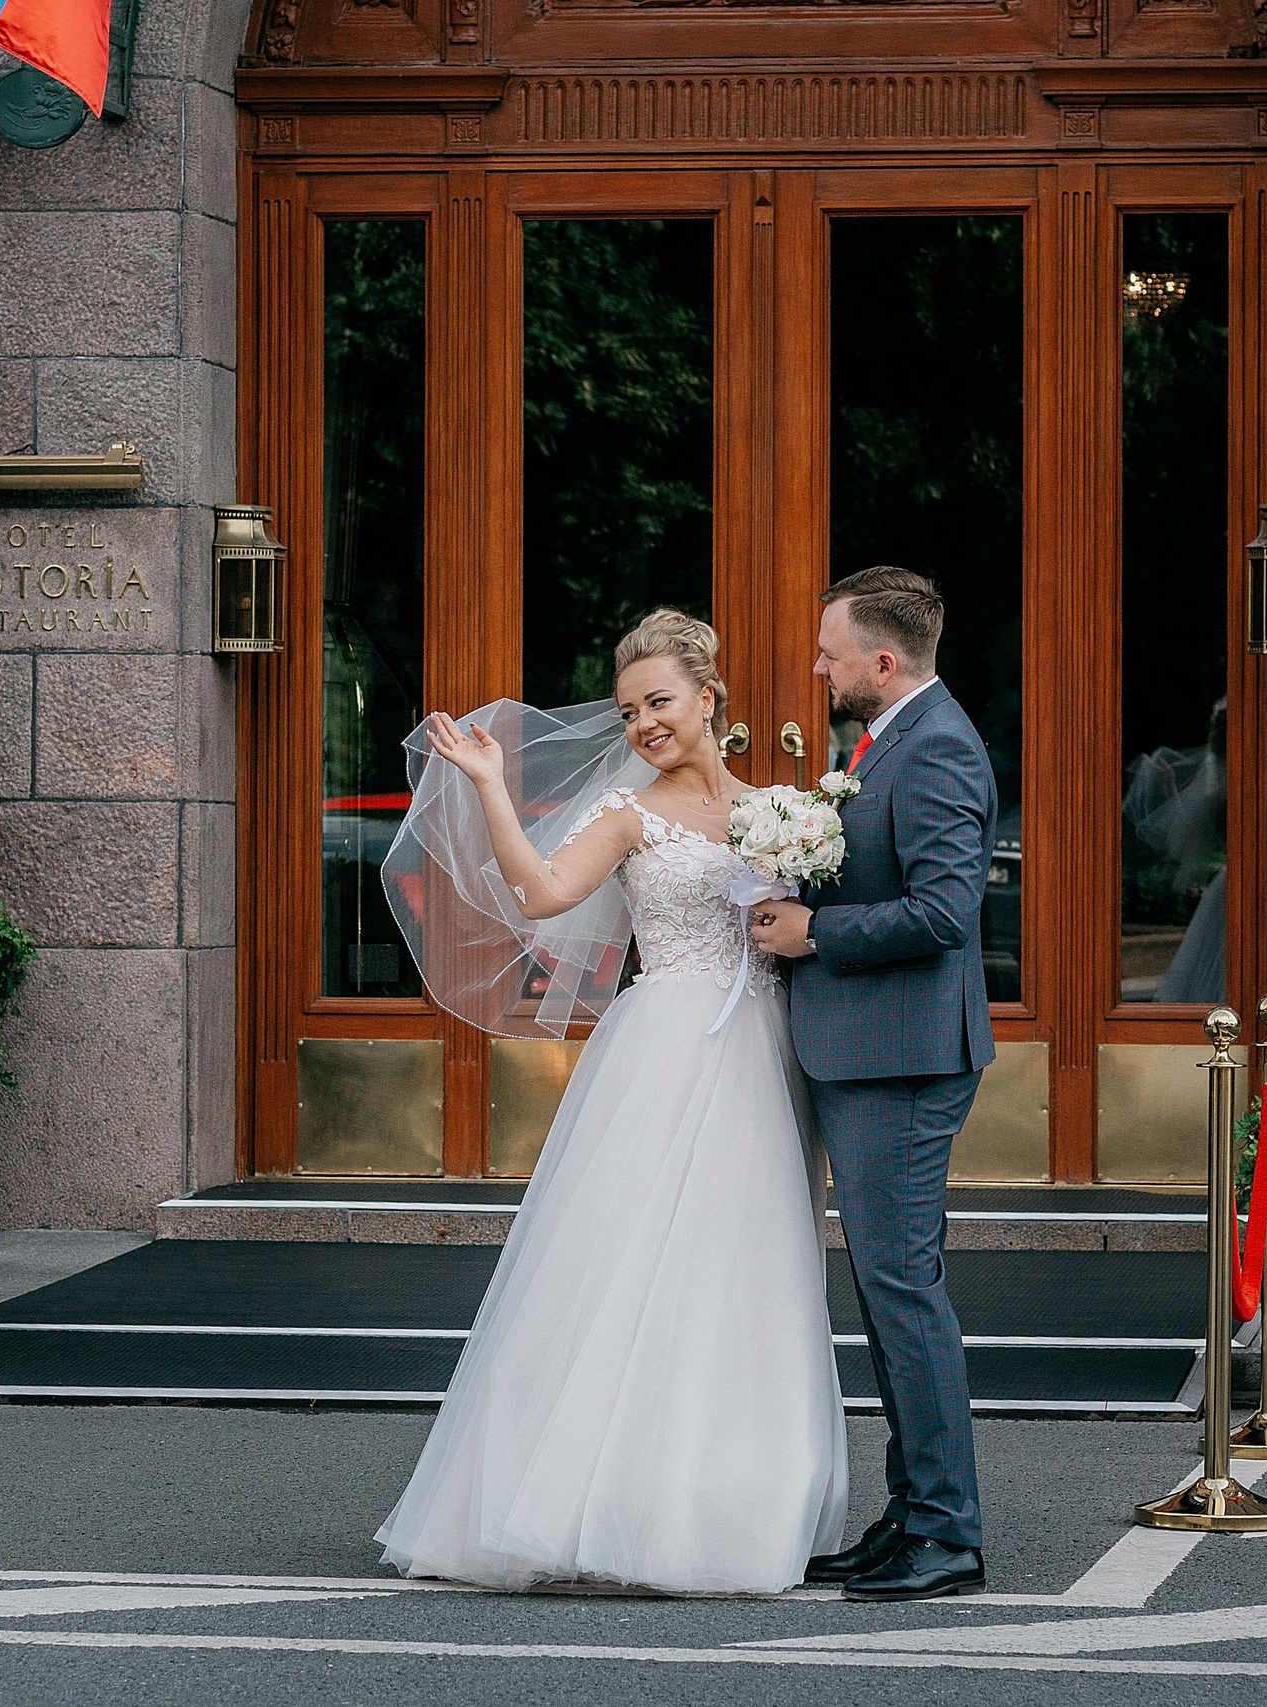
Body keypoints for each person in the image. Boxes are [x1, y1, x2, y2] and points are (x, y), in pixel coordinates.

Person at [374, 609, 845, 1596]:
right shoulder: (631, 816)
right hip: (668, 1049)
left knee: (747, 1276)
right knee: (634, 1269)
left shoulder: (781, 809)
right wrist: (494, 786)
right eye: (630, 711)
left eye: (659, 702)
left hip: (764, 1056)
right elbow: (543, 894)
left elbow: (810, 925)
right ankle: (600, 1505)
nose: (642, 724)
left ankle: (732, 1501)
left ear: (708, 700)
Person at [749, 566, 997, 1603]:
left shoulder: (936, 745)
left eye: (829, 652)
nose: (818, 667)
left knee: (903, 1294)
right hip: (870, 1056)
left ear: (882, 661)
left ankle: (948, 1532)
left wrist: (817, 932)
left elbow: (945, 912)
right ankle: (909, 1517)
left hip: (901, 1061)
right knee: (888, 1294)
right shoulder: (888, 740)